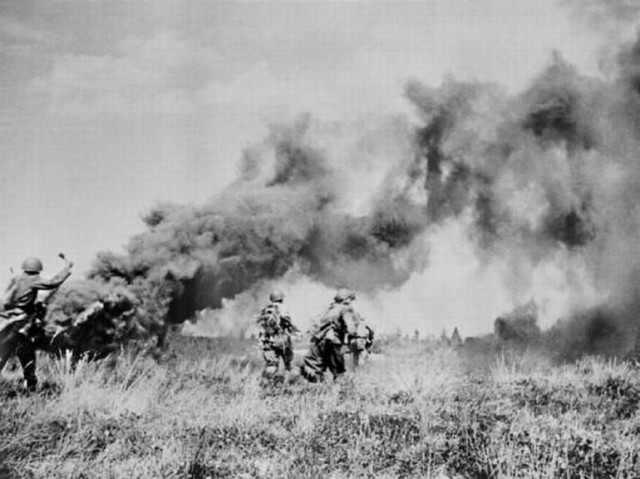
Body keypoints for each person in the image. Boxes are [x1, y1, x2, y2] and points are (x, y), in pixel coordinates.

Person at [0, 254, 73, 389]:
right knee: (23, 349)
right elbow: (54, 282)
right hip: (22, 321)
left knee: (10, 348)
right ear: (38, 269)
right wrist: (67, 268)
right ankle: (30, 381)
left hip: (7, 318)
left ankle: (30, 380)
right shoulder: (34, 279)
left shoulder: (17, 278)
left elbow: (6, 300)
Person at [300, 288, 359, 383]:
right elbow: (351, 330)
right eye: (351, 299)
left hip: (319, 341)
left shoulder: (329, 308)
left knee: (314, 368)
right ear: (347, 299)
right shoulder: (346, 309)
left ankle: (315, 389)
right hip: (334, 342)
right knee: (338, 370)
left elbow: (316, 323)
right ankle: (338, 392)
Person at [256, 289, 299, 379]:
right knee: (289, 364)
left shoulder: (266, 310)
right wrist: (297, 331)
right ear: (281, 299)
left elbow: (259, 323)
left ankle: (268, 384)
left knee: (271, 365)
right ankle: (290, 384)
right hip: (282, 340)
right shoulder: (283, 308)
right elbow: (289, 322)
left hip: (268, 341)